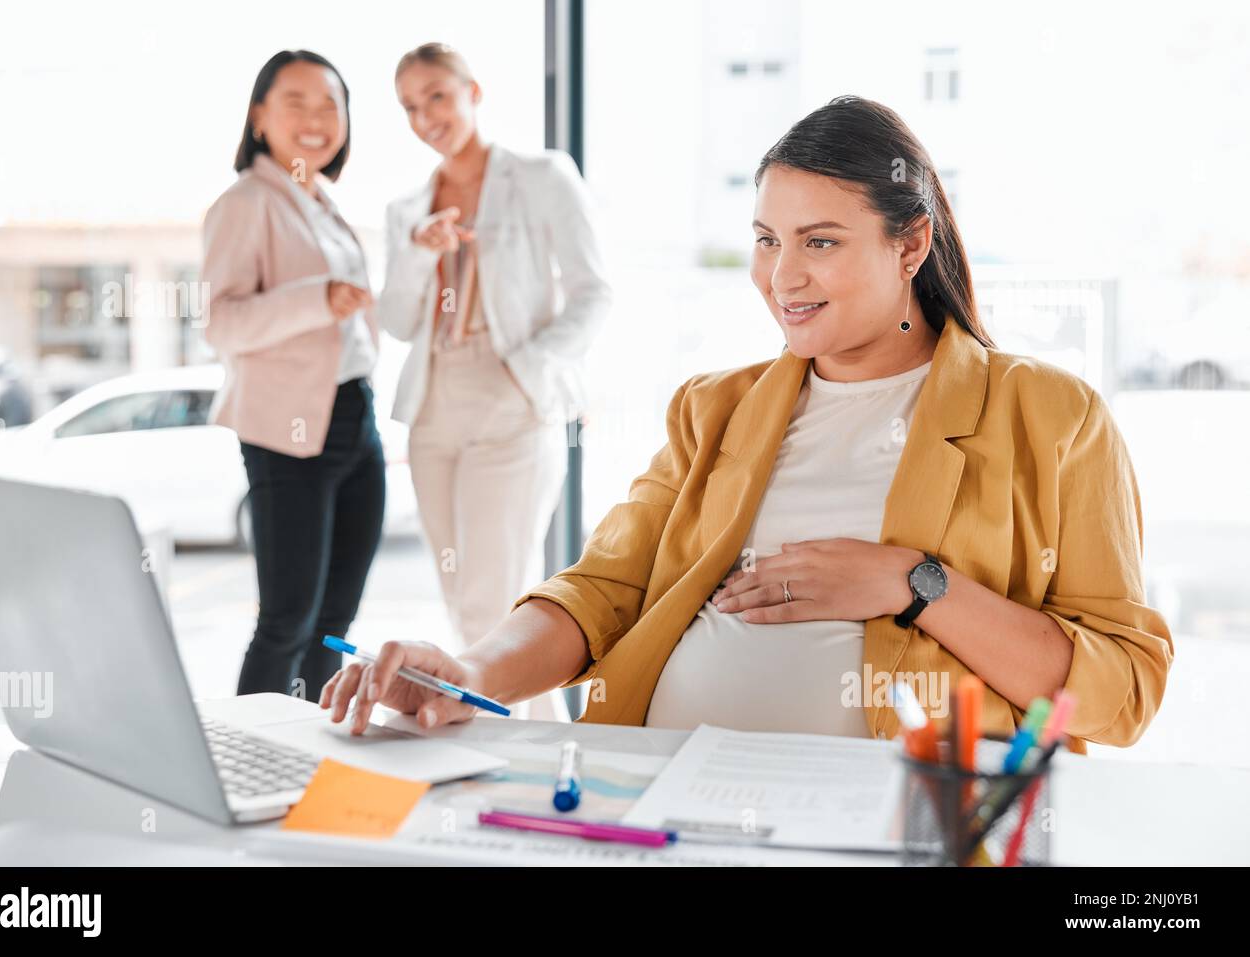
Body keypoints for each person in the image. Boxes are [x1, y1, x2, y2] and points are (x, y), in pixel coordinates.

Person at [324, 95, 1172, 755]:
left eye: (821, 242)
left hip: (894, 813)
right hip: (666, 789)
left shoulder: (1052, 415)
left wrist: (916, 585)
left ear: (910, 245)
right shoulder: (715, 408)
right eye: (767, 240)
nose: (781, 276)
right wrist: (470, 672)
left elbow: (1123, 690)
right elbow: (604, 589)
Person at [376, 43, 611, 672]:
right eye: (409, 107)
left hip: (512, 395)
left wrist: (524, 368)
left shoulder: (541, 177)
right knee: (462, 602)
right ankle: (511, 752)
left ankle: (521, 755)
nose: (426, 117)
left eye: (437, 97)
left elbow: (594, 291)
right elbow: (396, 320)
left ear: (472, 93)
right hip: (433, 408)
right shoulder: (406, 210)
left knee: (498, 605)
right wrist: (422, 252)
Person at [201, 50, 383, 701]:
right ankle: (253, 760)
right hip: (287, 430)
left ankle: (311, 749)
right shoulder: (246, 203)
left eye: (329, 104)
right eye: (296, 102)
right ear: (259, 116)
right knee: (285, 622)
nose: (315, 119)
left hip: (355, 416)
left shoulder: (321, 201)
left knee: (334, 624)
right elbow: (222, 322)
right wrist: (317, 299)